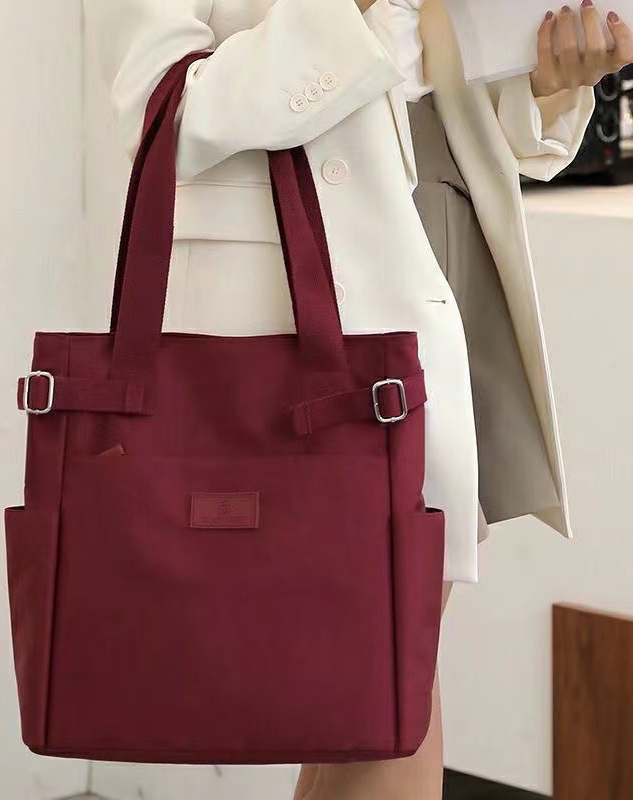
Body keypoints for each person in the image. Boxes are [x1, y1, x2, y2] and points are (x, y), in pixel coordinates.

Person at [96, 1, 631, 797]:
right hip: (295, 304)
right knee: (384, 698)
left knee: (369, 696)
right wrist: (357, 15)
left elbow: (447, 92)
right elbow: (167, 112)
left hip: (439, 256)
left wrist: (544, 83)